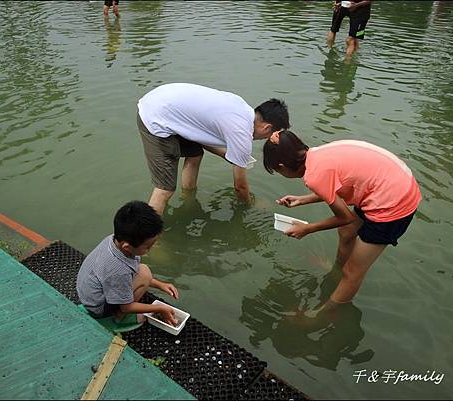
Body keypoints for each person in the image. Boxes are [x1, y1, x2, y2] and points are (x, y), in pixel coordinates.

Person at [262, 131, 421, 310]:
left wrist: (308, 229)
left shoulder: (315, 176)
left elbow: (345, 217)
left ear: (282, 167)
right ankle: (336, 272)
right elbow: (339, 183)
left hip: (394, 203)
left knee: (352, 273)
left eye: (277, 171)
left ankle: (322, 316)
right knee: (346, 233)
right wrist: (303, 199)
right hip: (392, 182)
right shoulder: (317, 154)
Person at [137, 82, 290, 215]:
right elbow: (240, 187)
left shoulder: (241, 108)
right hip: (155, 117)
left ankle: (188, 202)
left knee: (195, 155)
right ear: (267, 127)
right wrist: (251, 203)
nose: (266, 139)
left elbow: (200, 137)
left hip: (163, 100)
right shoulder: (241, 132)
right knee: (165, 189)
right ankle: (150, 239)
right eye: (270, 134)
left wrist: (228, 156)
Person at [76, 201, 179, 326]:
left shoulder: (114, 239)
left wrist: (160, 285)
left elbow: (132, 272)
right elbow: (127, 307)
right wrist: (160, 308)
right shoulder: (118, 270)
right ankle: (119, 318)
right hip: (98, 307)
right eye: (147, 247)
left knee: (143, 272)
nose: (150, 250)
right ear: (127, 246)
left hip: (90, 294)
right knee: (144, 273)